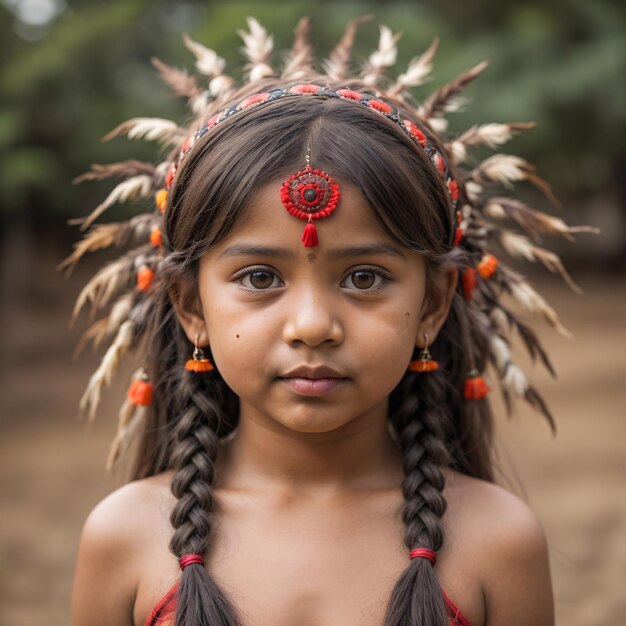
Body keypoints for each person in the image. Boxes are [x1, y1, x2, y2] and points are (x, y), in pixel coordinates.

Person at [67, 16, 593, 626]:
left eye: (363, 277)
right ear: (191, 306)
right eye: (260, 277)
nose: (313, 325)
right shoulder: (125, 539)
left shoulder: (498, 543)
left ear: (432, 303)